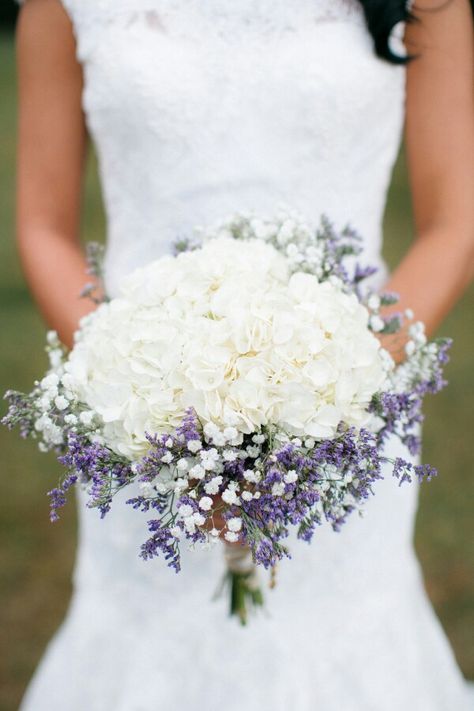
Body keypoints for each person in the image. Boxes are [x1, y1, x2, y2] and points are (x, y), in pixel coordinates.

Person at [14, 0, 474, 709]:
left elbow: (453, 224)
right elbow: (45, 226)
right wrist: (148, 402)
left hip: (348, 414)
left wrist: (325, 405)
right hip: (144, 426)